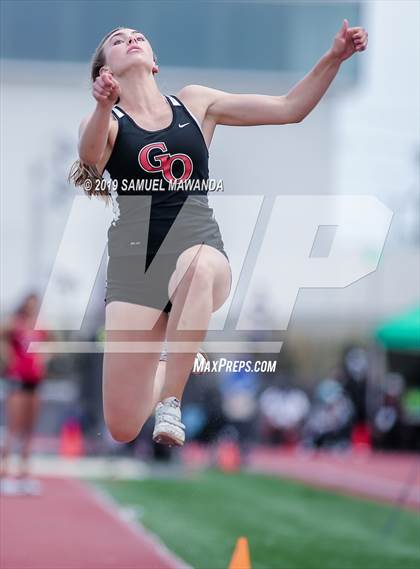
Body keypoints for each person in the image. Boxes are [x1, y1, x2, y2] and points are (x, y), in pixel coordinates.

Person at [68, 21, 368, 448]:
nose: (130, 39)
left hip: (201, 252)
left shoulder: (195, 103)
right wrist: (101, 106)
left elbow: (289, 107)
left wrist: (333, 58)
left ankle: (171, 400)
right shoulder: (107, 121)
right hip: (136, 271)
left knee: (198, 265)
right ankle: (163, 371)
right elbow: (90, 156)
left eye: (138, 36)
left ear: (154, 63)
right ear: (106, 72)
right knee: (122, 424)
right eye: (117, 40)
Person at [0, 293, 51, 495]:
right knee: (14, 429)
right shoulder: (16, 324)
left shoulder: (40, 327)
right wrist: (8, 358)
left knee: (29, 430)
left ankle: (24, 474)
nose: (32, 308)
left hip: (35, 381)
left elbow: (51, 343)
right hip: (17, 381)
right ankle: (5, 473)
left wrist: (45, 358)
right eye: (29, 304)